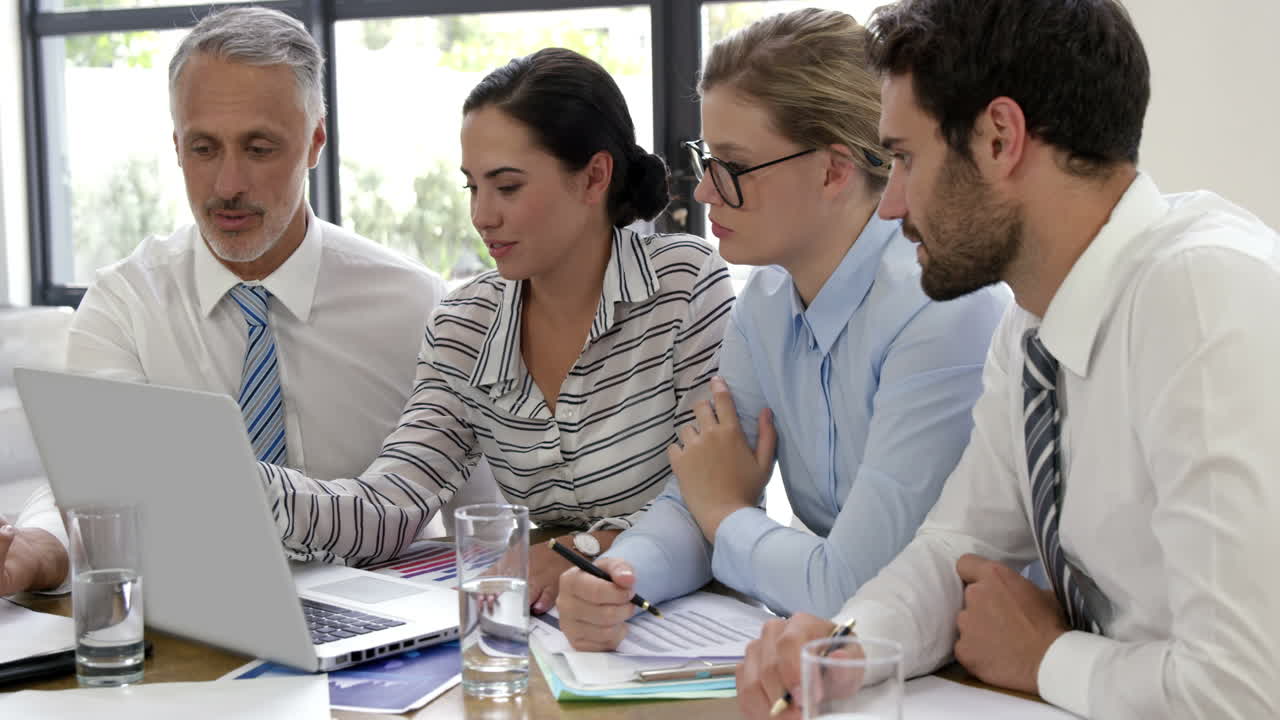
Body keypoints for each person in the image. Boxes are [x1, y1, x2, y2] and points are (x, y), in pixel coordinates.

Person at [734, 1, 1280, 718]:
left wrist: (1047, 657)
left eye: (905, 159)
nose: (891, 205)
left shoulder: (1201, 297)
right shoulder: (1033, 321)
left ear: (999, 138)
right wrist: (847, 648)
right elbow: (959, 545)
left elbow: (1244, 691)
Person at [556, 8, 1009, 650]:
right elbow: (693, 500)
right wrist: (620, 576)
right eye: (706, 160)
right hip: (859, 660)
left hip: (973, 669)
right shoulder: (765, 300)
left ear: (833, 170)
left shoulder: (941, 307)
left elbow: (854, 588)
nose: (705, 193)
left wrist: (725, 513)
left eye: (733, 167)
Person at [0, 6, 470, 596]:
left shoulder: (415, 306)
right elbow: (97, 482)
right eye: (203, 148)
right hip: (198, 623)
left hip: (384, 624)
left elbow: (486, 527)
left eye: (259, 148)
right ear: (177, 145)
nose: (227, 186)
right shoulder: (125, 305)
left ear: (315, 141)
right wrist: (42, 550)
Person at [257, 47, 736, 613]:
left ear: (594, 177)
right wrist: (243, 484)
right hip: (548, 628)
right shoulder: (464, 325)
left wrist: (586, 549)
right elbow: (391, 504)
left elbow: (714, 500)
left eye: (507, 187)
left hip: (685, 623)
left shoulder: (684, 284)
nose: (482, 216)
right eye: (472, 187)